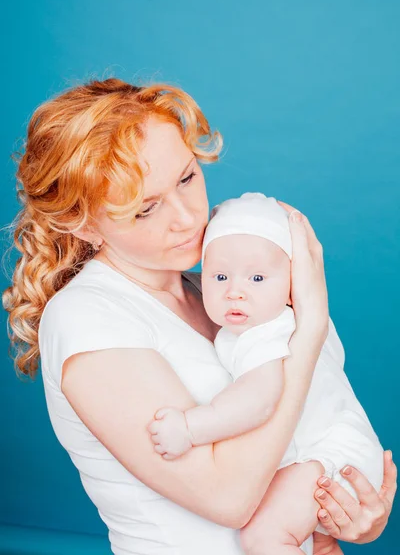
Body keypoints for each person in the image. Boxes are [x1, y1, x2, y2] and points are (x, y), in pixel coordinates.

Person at [2, 78, 396, 555]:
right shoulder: (87, 319)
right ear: (80, 222)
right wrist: (308, 330)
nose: (187, 217)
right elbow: (229, 498)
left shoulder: (213, 289)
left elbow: (310, 427)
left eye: (187, 178)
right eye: (146, 209)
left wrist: (347, 508)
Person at [147, 192, 384, 554]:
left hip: (331, 455)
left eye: (257, 278)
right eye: (220, 276)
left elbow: (259, 399)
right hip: (334, 449)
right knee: (313, 542)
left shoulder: (266, 333)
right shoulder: (294, 321)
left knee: (264, 537)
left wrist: (190, 428)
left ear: (291, 286)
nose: (235, 293)